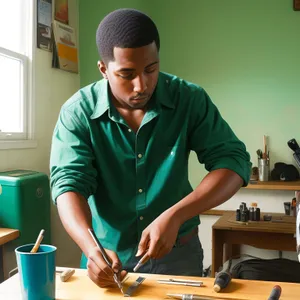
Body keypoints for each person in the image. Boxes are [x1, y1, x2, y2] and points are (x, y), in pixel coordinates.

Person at [50, 8, 252, 288]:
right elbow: (67, 185)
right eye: (126, 74)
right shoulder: (77, 112)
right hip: (107, 257)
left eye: (151, 69)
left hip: (179, 253)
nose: (141, 85)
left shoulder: (190, 99)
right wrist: (90, 249)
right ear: (103, 69)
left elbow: (234, 162)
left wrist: (176, 214)